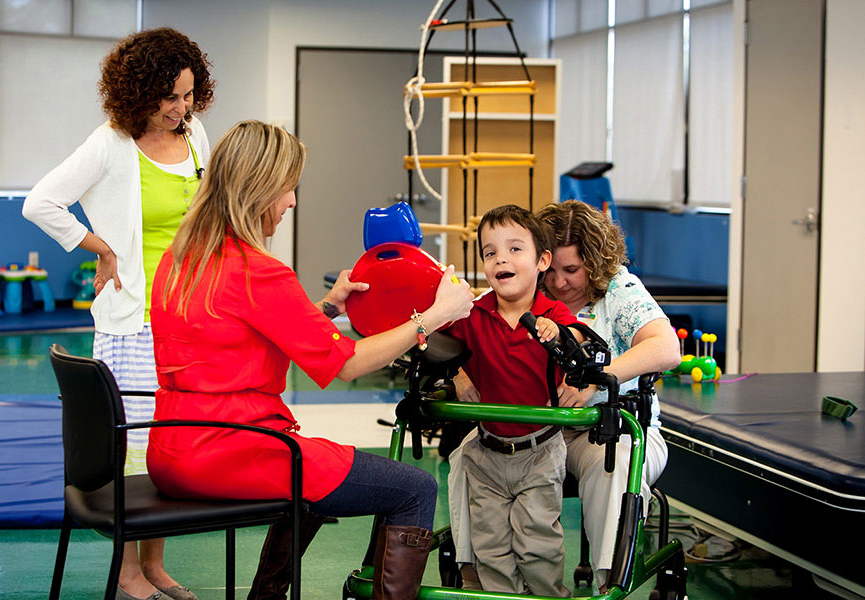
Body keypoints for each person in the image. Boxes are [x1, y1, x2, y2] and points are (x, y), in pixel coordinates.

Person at [146, 120, 474, 600]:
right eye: (287, 188)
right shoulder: (260, 272)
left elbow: (236, 335)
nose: (292, 202)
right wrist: (434, 315)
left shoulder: (181, 260)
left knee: (320, 473)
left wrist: (326, 308)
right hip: (234, 448)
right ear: (258, 191)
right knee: (414, 488)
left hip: (173, 448)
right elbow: (348, 364)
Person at [22, 27, 214, 600]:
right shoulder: (110, 142)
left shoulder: (197, 134)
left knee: (170, 444)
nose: (182, 109)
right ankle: (128, 571)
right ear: (138, 92)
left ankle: (155, 564)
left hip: (189, 315)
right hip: (134, 320)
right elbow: (41, 202)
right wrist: (101, 247)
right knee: (131, 449)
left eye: (188, 95)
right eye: (170, 98)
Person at [451, 200, 681, 593]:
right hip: (540, 428)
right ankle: (473, 574)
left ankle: (610, 583)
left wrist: (596, 378)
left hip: (609, 430)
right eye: (551, 270)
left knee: (613, 469)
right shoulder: (524, 287)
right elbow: (463, 331)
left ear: (595, 262)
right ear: (539, 260)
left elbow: (666, 349)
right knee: (467, 457)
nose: (558, 282)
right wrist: (458, 374)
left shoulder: (619, 290)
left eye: (571, 270)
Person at [442, 205, 581, 597]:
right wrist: (458, 373)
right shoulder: (473, 314)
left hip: (538, 451)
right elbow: (437, 345)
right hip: (487, 454)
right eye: (490, 253)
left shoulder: (554, 314)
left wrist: (562, 336)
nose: (501, 258)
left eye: (514, 249)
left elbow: (582, 344)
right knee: (492, 552)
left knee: (537, 548)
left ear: (542, 261)